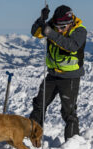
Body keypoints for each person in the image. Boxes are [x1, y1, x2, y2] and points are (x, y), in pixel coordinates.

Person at [29, 5, 87, 141]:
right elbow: (35, 33)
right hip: (52, 75)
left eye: (62, 27)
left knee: (68, 112)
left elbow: (71, 46)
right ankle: (31, 136)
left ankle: (72, 144)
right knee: (39, 104)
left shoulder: (79, 31)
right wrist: (41, 19)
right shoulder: (54, 25)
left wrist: (51, 33)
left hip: (70, 77)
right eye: (57, 27)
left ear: (70, 22)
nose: (59, 30)